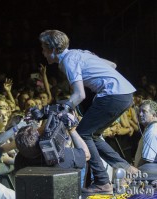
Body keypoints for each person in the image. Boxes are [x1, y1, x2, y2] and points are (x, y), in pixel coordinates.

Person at [39, 30, 137, 193]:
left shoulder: (68, 61)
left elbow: (79, 94)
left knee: (83, 133)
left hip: (113, 95)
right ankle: (127, 169)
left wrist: (64, 108)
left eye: (43, 48)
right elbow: (112, 65)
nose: (42, 52)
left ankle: (102, 182)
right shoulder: (79, 53)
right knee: (93, 135)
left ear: (53, 49)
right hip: (125, 94)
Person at [134, 100, 157, 174]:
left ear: (154, 115)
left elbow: (146, 161)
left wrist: (134, 173)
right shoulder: (150, 128)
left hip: (148, 175)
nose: (140, 114)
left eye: (144, 111)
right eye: (140, 111)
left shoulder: (152, 131)